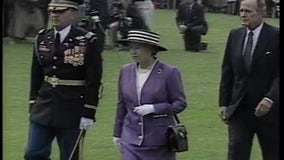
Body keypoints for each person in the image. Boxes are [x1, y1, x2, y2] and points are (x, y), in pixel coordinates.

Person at [24, 0, 103, 159]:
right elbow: (36, 73)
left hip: (72, 107)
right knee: (33, 153)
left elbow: (93, 79)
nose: (55, 15)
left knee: (70, 155)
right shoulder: (42, 38)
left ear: (73, 13)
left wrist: (89, 111)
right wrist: (33, 101)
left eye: (60, 11)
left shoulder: (87, 40)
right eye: (52, 11)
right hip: (44, 106)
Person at [112, 29, 187, 160]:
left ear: (151, 49)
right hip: (131, 139)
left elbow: (180, 103)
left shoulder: (169, 72)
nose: (133, 52)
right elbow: (122, 104)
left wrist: (154, 108)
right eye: (131, 47)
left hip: (159, 142)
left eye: (138, 48)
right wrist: (117, 134)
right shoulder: (125, 71)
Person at [218, 0, 279, 160]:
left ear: (262, 13)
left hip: (270, 112)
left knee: (273, 153)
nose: (243, 15)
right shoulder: (235, 35)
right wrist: (224, 103)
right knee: (236, 152)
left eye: (248, 11)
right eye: (241, 11)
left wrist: (269, 99)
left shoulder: (275, 36)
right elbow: (228, 70)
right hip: (239, 109)